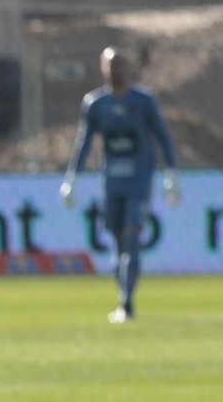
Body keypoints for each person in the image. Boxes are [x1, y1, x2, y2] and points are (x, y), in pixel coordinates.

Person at [59, 46, 180, 324]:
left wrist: (171, 174)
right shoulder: (95, 104)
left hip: (139, 182)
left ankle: (126, 304)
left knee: (130, 240)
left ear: (129, 69)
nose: (117, 70)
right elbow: (84, 143)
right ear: (102, 68)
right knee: (116, 242)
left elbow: (162, 137)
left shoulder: (144, 101)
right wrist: (72, 179)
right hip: (111, 184)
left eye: (121, 65)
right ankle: (122, 296)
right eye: (111, 65)